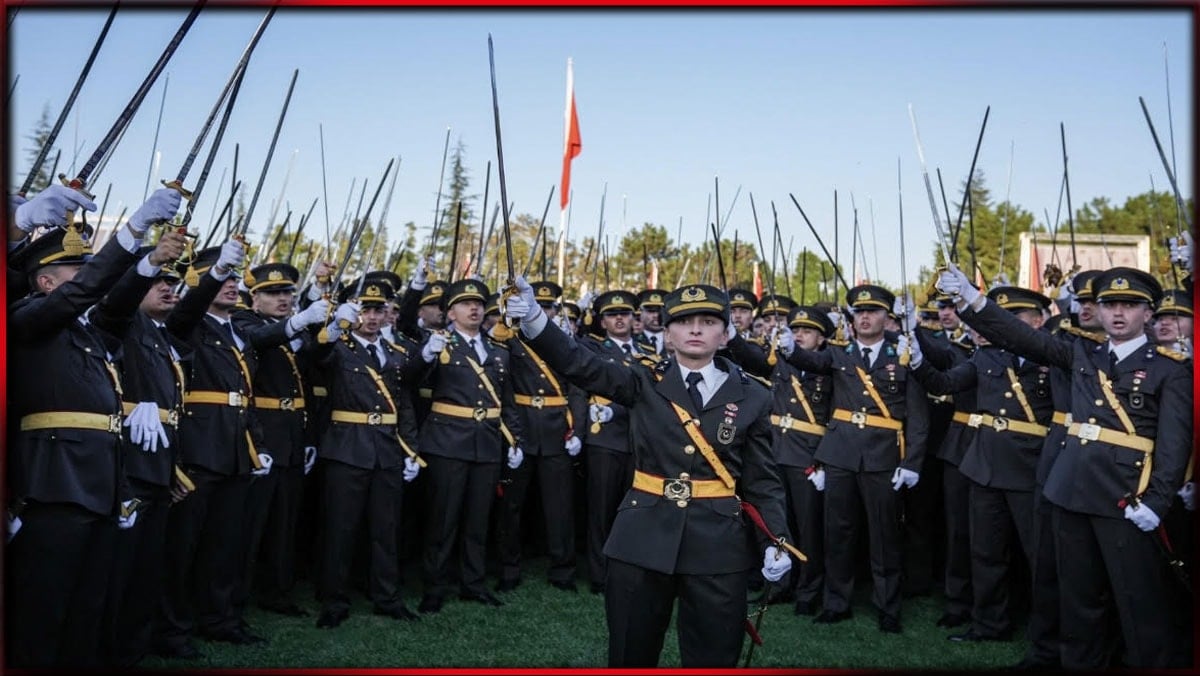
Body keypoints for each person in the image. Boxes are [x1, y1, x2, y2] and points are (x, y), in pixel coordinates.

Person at [505, 278, 795, 668]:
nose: (695, 329)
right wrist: (537, 320)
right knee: (630, 653)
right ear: (668, 334)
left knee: (713, 657)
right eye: (683, 321)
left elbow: (763, 480)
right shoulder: (641, 379)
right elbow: (580, 364)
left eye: (708, 321)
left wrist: (777, 540)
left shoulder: (754, 396)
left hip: (718, 547)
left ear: (726, 335)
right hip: (641, 538)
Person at [940, 263, 1193, 668]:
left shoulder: (1170, 368)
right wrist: (972, 298)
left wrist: (1158, 501)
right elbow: (1021, 336)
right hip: (1070, 490)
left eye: (1130, 305)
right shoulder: (1080, 352)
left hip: (1126, 496)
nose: (1118, 313)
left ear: (1149, 313)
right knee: (1077, 596)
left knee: (1137, 597)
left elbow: (1174, 443)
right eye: (1110, 304)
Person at [7, 186, 180, 667]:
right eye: (75, 271)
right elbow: (89, 291)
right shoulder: (28, 318)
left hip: (100, 486)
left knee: (88, 609)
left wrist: (144, 263)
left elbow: (116, 304)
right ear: (45, 283)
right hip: (54, 486)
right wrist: (131, 233)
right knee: (44, 614)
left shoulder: (86, 332)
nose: (87, 280)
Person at [776, 284, 930, 633]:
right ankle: (836, 602)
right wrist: (789, 350)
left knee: (884, 536)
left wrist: (912, 463)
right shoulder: (839, 353)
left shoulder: (903, 353)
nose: (864, 317)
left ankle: (888, 606)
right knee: (838, 534)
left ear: (886, 318)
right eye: (859, 312)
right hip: (840, 455)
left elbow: (918, 419)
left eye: (872, 311)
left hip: (883, 456)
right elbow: (811, 360)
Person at [910, 286, 1056, 643]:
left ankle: (1048, 632)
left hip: (1030, 467)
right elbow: (946, 382)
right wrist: (917, 361)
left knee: (1040, 557)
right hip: (984, 465)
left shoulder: (1053, 358)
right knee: (985, 551)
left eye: (1015, 319)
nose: (1003, 326)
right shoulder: (987, 357)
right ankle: (990, 623)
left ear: (1039, 321)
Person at [157, 239, 272, 655]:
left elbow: (245, 392)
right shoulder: (185, 321)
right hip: (200, 446)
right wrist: (215, 273)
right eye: (218, 278)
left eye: (233, 277)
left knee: (225, 544)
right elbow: (187, 311)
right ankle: (173, 629)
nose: (230, 285)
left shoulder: (238, 330)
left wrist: (256, 443)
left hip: (236, 447)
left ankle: (220, 618)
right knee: (185, 545)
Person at [89, 231, 192, 666]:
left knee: (146, 568)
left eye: (174, 283)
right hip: (127, 462)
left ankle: (133, 645)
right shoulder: (122, 322)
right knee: (120, 568)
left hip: (157, 462)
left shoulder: (159, 333)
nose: (169, 288)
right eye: (158, 282)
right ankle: (110, 648)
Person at [407, 278, 526, 614]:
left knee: (478, 519)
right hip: (447, 441)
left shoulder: (498, 349)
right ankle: (435, 586)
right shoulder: (438, 345)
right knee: (443, 520)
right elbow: (409, 379)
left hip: (486, 442)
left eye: (478, 303)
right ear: (450, 312)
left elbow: (507, 401)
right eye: (464, 303)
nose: (474, 308)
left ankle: (472, 584)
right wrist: (425, 355)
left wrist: (515, 439)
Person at [310, 279, 423, 628]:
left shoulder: (395, 354)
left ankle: (386, 597)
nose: (372, 317)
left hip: (386, 449)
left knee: (385, 529)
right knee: (341, 529)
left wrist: (410, 449)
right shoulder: (338, 347)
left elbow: (403, 405)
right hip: (347, 446)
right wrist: (332, 326)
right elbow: (313, 355)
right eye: (365, 310)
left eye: (378, 310)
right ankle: (334, 600)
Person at [232, 263, 330, 620]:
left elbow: (310, 364)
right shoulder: (243, 323)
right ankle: (236, 595)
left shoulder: (290, 331)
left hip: (291, 433)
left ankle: (277, 590)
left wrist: (328, 328)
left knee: (284, 522)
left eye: (288, 292)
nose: (283, 299)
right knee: (251, 523)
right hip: (261, 434)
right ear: (254, 298)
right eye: (273, 293)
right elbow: (261, 340)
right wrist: (300, 322)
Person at [726, 305, 835, 616]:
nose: (800, 335)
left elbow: (838, 415)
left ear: (822, 338)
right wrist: (732, 335)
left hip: (809, 456)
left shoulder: (829, 366)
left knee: (809, 527)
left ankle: (808, 591)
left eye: (808, 331)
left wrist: (824, 460)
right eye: (796, 330)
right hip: (776, 450)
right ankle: (779, 584)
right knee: (775, 525)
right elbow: (750, 359)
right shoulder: (780, 359)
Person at [494, 280, 587, 593]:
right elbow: (502, 384)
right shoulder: (511, 339)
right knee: (512, 505)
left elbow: (577, 387)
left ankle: (563, 569)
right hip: (521, 426)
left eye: (548, 307)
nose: (544, 311)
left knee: (560, 507)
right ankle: (508, 567)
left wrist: (579, 430)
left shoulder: (562, 342)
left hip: (557, 430)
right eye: (540, 306)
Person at [577, 290, 658, 595]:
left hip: (639, 438)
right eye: (612, 315)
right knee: (601, 509)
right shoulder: (594, 348)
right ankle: (600, 574)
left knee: (634, 511)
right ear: (602, 321)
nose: (620, 318)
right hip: (606, 437)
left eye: (625, 313)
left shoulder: (647, 348)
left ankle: (629, 569)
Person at [635, 288, 668, 356]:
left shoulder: (676, 341)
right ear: (641, 313)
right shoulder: (631, 340)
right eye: (651, 311)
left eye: (660, 311)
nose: (656, 315)